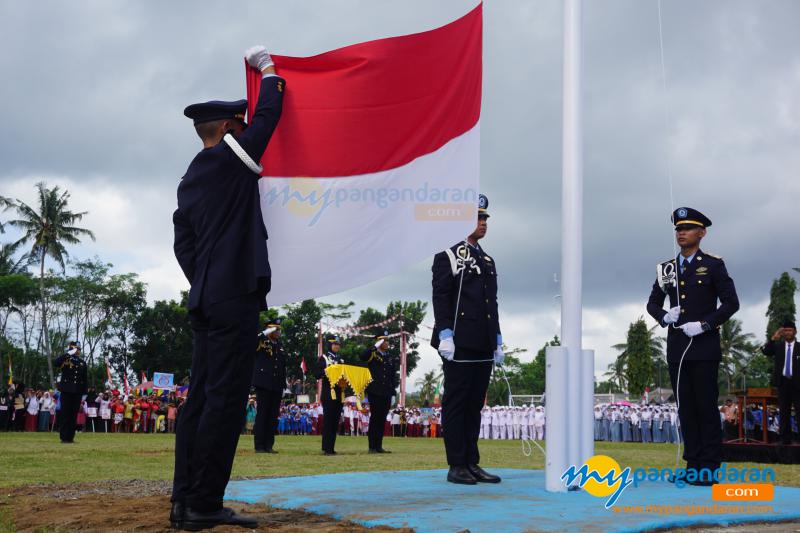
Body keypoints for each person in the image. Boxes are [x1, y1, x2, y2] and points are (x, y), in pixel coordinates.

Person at [170, 45, 284, 531]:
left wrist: (205, 282)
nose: (244, 130)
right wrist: (271, 72)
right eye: (237, 125)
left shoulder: (191, 178)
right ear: (227, 130)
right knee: (225, 399)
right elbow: (269, 116)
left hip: (204, 298)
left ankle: (184, 500)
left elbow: (184, 246)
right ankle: (204, 503)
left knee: (199, 399)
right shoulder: (231, 159)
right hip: (233, 296)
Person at [647, 207, 739, 485]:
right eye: (678, 229)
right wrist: (664, 316)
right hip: (677, 348)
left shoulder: (712, 265)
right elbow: (652, 302)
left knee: (705, 407)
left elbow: (731, 303)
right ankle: (693, 464)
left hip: (704, 347)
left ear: (702, 233)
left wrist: (705, 324)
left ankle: (708, 468)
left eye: (686, 228)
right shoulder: (667, 269)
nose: (681, 233)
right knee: (685, 409)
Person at [431, 194, 503, 485]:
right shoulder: (447, 254)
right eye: (478, 218)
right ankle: (456, 464)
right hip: (458, 340)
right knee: (456, 403)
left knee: (475, 404)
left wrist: (497, 338)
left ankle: (472, 461)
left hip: (483, 340)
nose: (483, 223)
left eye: (485, 218)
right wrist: (445, 333)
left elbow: (491, 302)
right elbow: (441, 296)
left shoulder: (486, 259)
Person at [762, 321, 799, 445]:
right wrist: (773, 338)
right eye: (786, 330)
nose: (788, 332)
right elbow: (766, 351)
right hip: (782, 383)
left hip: (797, 384)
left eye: (790, 330)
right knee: (783, 412)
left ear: (795, 332)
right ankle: (785, 440)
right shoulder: (778, 346)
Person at [252, 321, 286, 453]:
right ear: (268, 330)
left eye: (278, 330)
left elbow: (282, 366)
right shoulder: (261, 341)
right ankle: (259, 445)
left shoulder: (280, 345)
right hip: (264, 383)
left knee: (273, 416)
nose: (278, 332)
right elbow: (251, 341)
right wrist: (264, 332)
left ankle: (269, 445)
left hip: (277, 385)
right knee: (262, 414)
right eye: (275, 329)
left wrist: (284, 385)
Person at [360, 333, 397, 453]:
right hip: (375, 391)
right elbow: (362, 356)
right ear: (378, 342)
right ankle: (372, 446)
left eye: (387, 341)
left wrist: (393, 393)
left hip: (386, 392)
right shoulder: (373, 354)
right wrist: (374, 347)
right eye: (383, 341)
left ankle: (379, 446)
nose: (387, 343)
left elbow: (392, 377)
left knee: (382, 420)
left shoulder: (390, 357)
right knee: (375, 419)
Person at [53, 342, 88, 442]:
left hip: (77, 392)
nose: (78, 351)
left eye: (79, 349)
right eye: (76, 349)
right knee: (65, 415)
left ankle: (70, 437)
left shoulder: (82, 363)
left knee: (73, 416)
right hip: (66, 391)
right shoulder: (66, 360)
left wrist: (84, 394)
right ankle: (64, 437)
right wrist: (68, 354)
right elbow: (56, 363)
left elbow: (84, 379)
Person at [316, 336, 345, 455]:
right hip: (328, 394)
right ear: (330, 345)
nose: (337, 346)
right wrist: (329, 370)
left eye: (338, 344)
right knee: (328, 421)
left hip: (339, 394)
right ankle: (326, 448)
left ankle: (331, 447)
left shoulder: (341, 360)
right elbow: (317, 374)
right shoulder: (324, 358)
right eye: (334, 344)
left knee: (335, 422)